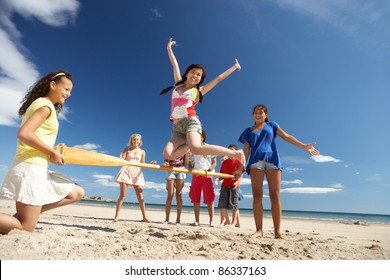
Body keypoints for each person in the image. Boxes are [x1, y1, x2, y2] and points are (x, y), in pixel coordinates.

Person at [0, 70, 85, 234]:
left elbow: (35, 136)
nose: (69, 94)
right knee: (26, 227)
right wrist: (51, 153)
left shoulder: (41, 104)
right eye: (66, 89)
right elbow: (24, 134)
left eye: (70, 91)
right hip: (30, 167)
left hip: (36, 165)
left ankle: (25, 216)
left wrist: (52, 149)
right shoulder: (45, 106)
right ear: (53, 85)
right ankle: (24, 219)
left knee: (76, 193)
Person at [237, 104, 320, 239]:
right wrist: (241, 167)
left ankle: (277, 231)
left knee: (275, 196)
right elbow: (246, 151)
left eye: (261, 112)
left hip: (273, 161)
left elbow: (287, 137)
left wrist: (303, 146)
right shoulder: (248, 131)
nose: (258, 114)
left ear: (266, 115)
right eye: (255, 112)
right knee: (257, 195)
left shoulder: (272, 125)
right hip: (255, 163)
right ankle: (259, 230)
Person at [160, 38, 245, 167]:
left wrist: (234, 67)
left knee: (196, 148)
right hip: (177, 129)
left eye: (198, 75)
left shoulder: (199, 91)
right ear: (187, 73)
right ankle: (188, 144)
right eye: (193, 72)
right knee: (167, 154)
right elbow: (175, 65)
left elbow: (218, 79)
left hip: (190, 121)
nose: (195, 75)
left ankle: (236, 153)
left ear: (200, 79)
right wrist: (169, 49)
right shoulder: (178, 84)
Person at [114, 133, 150, 222]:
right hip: (126, 171)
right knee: (122, 195)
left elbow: (143, 164)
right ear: (131, 140)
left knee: (140, 196)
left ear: (140, 141)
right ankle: (117, 216)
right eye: (134, 139)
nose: (136, 141)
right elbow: (122, 160)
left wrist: (150, 164)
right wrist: (121, 158)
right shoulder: (127, 149)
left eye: (137, 139)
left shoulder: (142, 152)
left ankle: (144, 217)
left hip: (137, 173)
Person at [188, 130, 217, 227]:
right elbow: (190, 163)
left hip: (207, 175)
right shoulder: (191, 149)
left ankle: (211, 221)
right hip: (196, 175)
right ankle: (197, 220)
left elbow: (214, 162)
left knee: (210, 198)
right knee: (195, 198)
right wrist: (191, 168)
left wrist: (209, 170)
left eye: (199, 136)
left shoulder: (208, 147)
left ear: (203, 137)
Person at [216, 144, 244, 228]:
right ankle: (225, 221)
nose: (230, 152)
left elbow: (241, 173)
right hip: (225, 185)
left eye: (232, 150)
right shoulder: (224, 162)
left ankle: (233, 223)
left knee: (234, 204)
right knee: (222, 204)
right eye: (229, 150)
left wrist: (238, 181)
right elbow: (222, 175)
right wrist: (218, 179)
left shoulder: (238, 161)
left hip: (234, 185)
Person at [163, 154, 189, 224]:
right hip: (171, 169)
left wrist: (187, 155)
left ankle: (178, 220)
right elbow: (166, 160)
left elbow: (186, 163)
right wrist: (166, 163)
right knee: (170, 195)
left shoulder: (184, 148)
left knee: (179, 195)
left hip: (181, 170)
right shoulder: (170, 147)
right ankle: (167, 219)